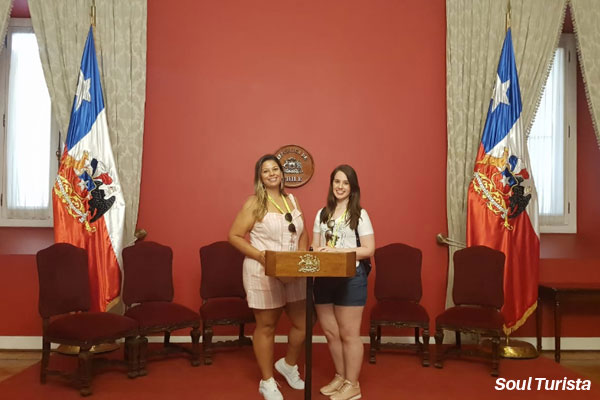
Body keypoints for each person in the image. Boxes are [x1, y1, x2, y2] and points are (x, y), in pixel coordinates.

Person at [229, 154, 308, 400]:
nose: (272, 173)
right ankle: (267, 381)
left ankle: (288, 365)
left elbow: (302, 233)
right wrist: (261, 256)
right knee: (267, 326)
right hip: (262, 271)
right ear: (260, 178)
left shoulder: (292, 200)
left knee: (304, 323)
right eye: (266, 171)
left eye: (276, 169)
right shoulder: (254, 203)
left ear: (282, 174)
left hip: (293, 272)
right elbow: (234, 235)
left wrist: (302, 260)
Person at [311, 164, 375, 400]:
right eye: (337, 182)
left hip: (351, 278)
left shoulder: (360, 214)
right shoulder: (322, 214)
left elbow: (369, 249)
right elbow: (316, 247)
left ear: (352, 187)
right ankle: (340, 377)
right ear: (331, 185)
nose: (340, 187)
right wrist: (319, 250)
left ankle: (353, 383)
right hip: (324, 278)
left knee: (349, 334)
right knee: (330, 332)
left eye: (345, 183)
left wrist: (338, 253)